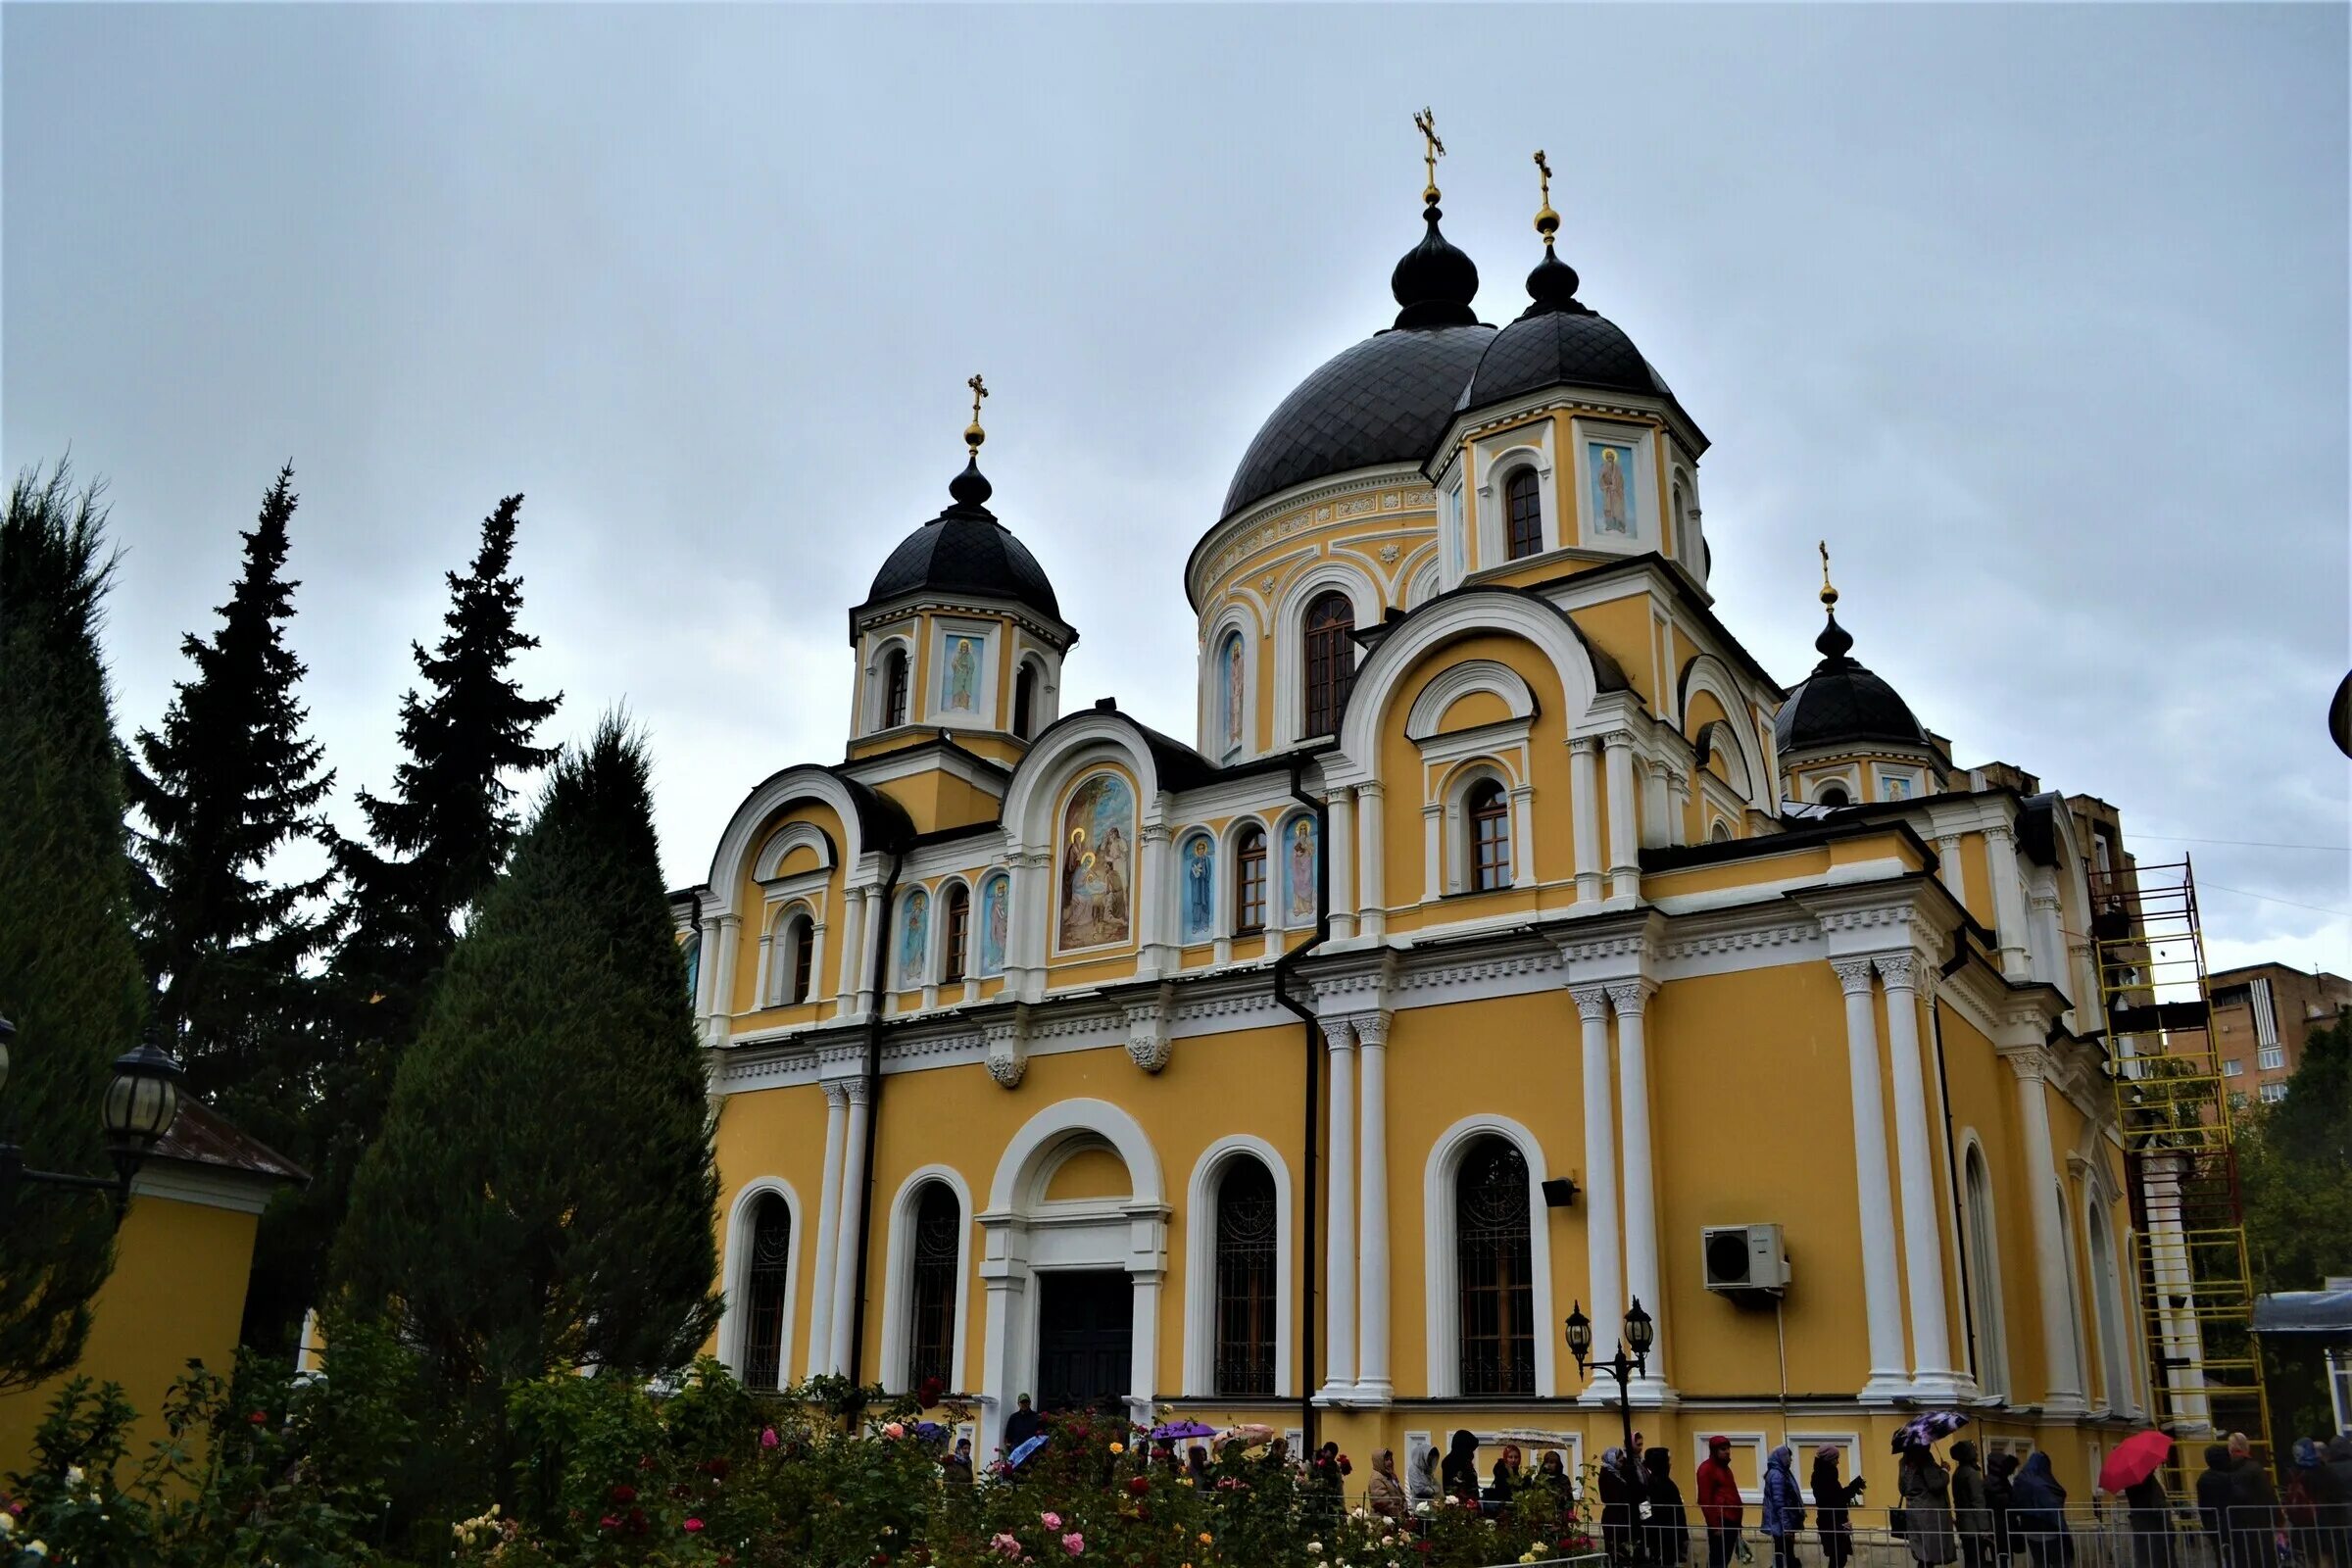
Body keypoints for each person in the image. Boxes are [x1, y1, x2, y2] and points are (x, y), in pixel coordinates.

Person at [2007, 1450, 2073, 1568]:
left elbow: (2014, 1503)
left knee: (2039, 1562)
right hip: (2049, 1530)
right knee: (2059, 1562)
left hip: (2030, 1531)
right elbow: (2052, 1506)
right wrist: (2063, 1530)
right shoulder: (2041, 1484)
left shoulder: (2020, 1480)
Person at [1901, 1444, 1960, 1568]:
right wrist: (1944, 1471)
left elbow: (1902, 1488)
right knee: (1929, 1554)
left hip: (1914, 1511)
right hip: (1929, 1514)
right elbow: (1935, 1485)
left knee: (1923, 1552)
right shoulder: (1924, 1460)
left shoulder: (1904, 1462)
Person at [2226, 1434, 2278, 1568]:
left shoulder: (2227, 1471)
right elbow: (2268, 1494)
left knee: (2243, 1558)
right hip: (2259, 1521)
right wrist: (2279, 1520)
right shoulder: (2255, 1469)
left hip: (2237, 1524)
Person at [1698, 1435, 1746, 1568]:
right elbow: (1705, 1499)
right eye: (1723, 1449)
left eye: (1728, 1449)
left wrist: (1738, 1524)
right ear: (1714, 1451)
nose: (1727, 1452)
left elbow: (1732, 1493)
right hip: (1721, 1522)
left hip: (1731, 1521)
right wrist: (1715, 1526)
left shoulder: (1725, 1469)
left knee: (1724, 1559)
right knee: (1718, 1560)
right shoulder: (1706, 1469)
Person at [1814, 1446, 1864, 1568]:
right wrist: (1853, 1487)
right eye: (1836, 1458)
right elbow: (1835, 1498)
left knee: (1838, 1557)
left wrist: (1852, 1488)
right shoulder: (1824, 1476)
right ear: (1829, 1459)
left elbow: (1836, 1496)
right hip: (1831, 1522)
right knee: (1838, 1558)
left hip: (1832, 1520)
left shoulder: (1825, 1474)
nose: (1838, 1461)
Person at [1647, 1444, 1692, 1567]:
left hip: (1666, 1532)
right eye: (1668, 1460)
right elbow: (1676, 1511)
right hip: (1666, 1533)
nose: (1670, 1464)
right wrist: (1683, 1534)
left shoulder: (1658, 1481)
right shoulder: (1662, 1484)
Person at [2122, 1465, 2175, 1568]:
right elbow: (2158, 1504)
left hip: (2140, 1525)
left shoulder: (2129, 1482)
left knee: (2144, 1557)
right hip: (2154, 1526)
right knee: (2158, 1557)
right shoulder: (2149, 1481)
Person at [1764, 1445, 1807, 1568]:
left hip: (1781, 1523)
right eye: (1789, 1457)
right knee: (1784, 1555)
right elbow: (1779, 1504)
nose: (1791, 1460)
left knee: (1784, 1554)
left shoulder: (1781, 1473)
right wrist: (1787, 1527)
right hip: (1781, 1524)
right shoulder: (1777, 1475)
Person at [2196, 1446, 2237, 1568]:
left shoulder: (2203, 1478)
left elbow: (2202, 1504)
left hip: (2212, 1523)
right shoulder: (2228, 1477)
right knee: (2235, 1554)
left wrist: (2206, 1524)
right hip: (2231, 1522)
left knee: (2220, 1555)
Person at [1953, 1442, 1992, 1568]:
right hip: (1974, 1525)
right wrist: (1984, 1527)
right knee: (1977, 1560)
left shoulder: (1958, 1473)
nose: (1977, 1453)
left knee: (1970, 1559)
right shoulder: (1971, 1473)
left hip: (1964, 1523)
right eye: (1974, 1450)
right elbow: (1978, 1500)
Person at [1986, 1452, 2020, 1567]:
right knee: (2003, 1557)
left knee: (2004, 1556)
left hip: (2002, 1525)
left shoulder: (1999, 1480)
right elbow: (2004, 1502)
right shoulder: (1996, 1482)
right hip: (2000, 1525)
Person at [1443, 1430, 1483, 1508]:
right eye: (1470, 1449)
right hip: (1458, 1507)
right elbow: (1451, 1488)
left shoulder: (1465, 1461)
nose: (1472, 1453)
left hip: (1471, 1504)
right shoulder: (1450, 1462)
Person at [1367, 1448, 1408, 1524]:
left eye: (1390, 1459)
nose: (1390, 1462)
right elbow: (1384, 1503)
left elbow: (1400, 1493)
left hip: (1393, 1519)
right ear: (1379, 1461)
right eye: (1386, 1460)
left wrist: (1405, 1505)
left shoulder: (1389, 1475)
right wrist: (1400, 1515)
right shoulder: (1376, 1478)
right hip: (1382, 1521)